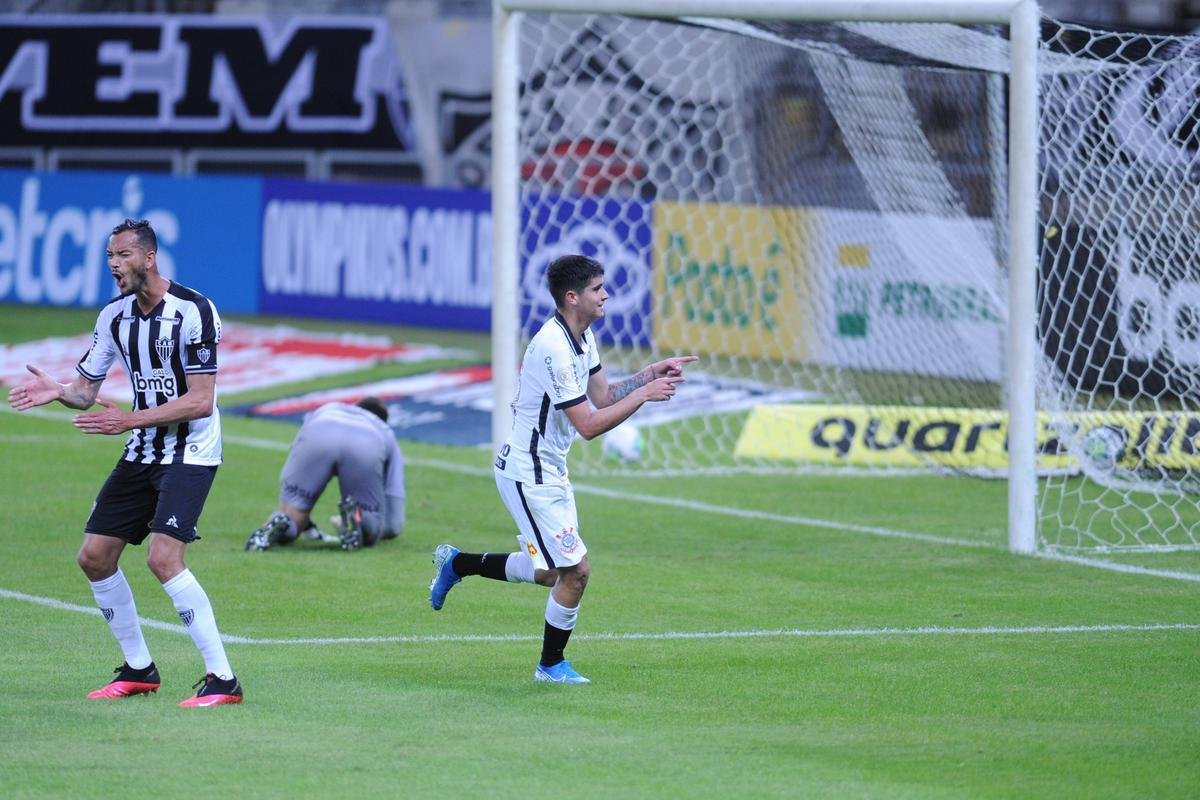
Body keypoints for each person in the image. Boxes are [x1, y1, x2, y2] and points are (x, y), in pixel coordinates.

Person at [428, 253, 696, 684]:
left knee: (552, 572)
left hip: (548, 469)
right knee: (577, 571)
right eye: (596, 289)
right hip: (527, 472)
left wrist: (645, 375)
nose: (606, 294)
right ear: (572, 297)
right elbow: (589, 425)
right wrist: (645, 394)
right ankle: (550, 665)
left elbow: (604, 396)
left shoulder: (582, 336)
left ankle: (458, 565)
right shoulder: (552, 347)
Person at [7, 218, 242, 706]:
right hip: (143, 446)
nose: (114, 265)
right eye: (110, 257)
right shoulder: (114, 316)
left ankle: (223, 679)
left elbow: (201, 401)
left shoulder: (195, 311)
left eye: (123, 256)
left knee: (163, 557)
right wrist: (60, 393)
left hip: (191, 449)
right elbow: (86, 391)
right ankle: (140, 669)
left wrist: (130, 420)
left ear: (149, 258)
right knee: (94, 556)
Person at [244, 397, 406, 553]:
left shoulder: (329, 408)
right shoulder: (385, 431)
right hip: (366, 443)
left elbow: (295, 451)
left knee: (291, 514)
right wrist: (379, 528)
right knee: (370, 527)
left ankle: (280, 521)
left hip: (320, 431)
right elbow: (394, 518)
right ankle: (353, 523)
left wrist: (295, 505)